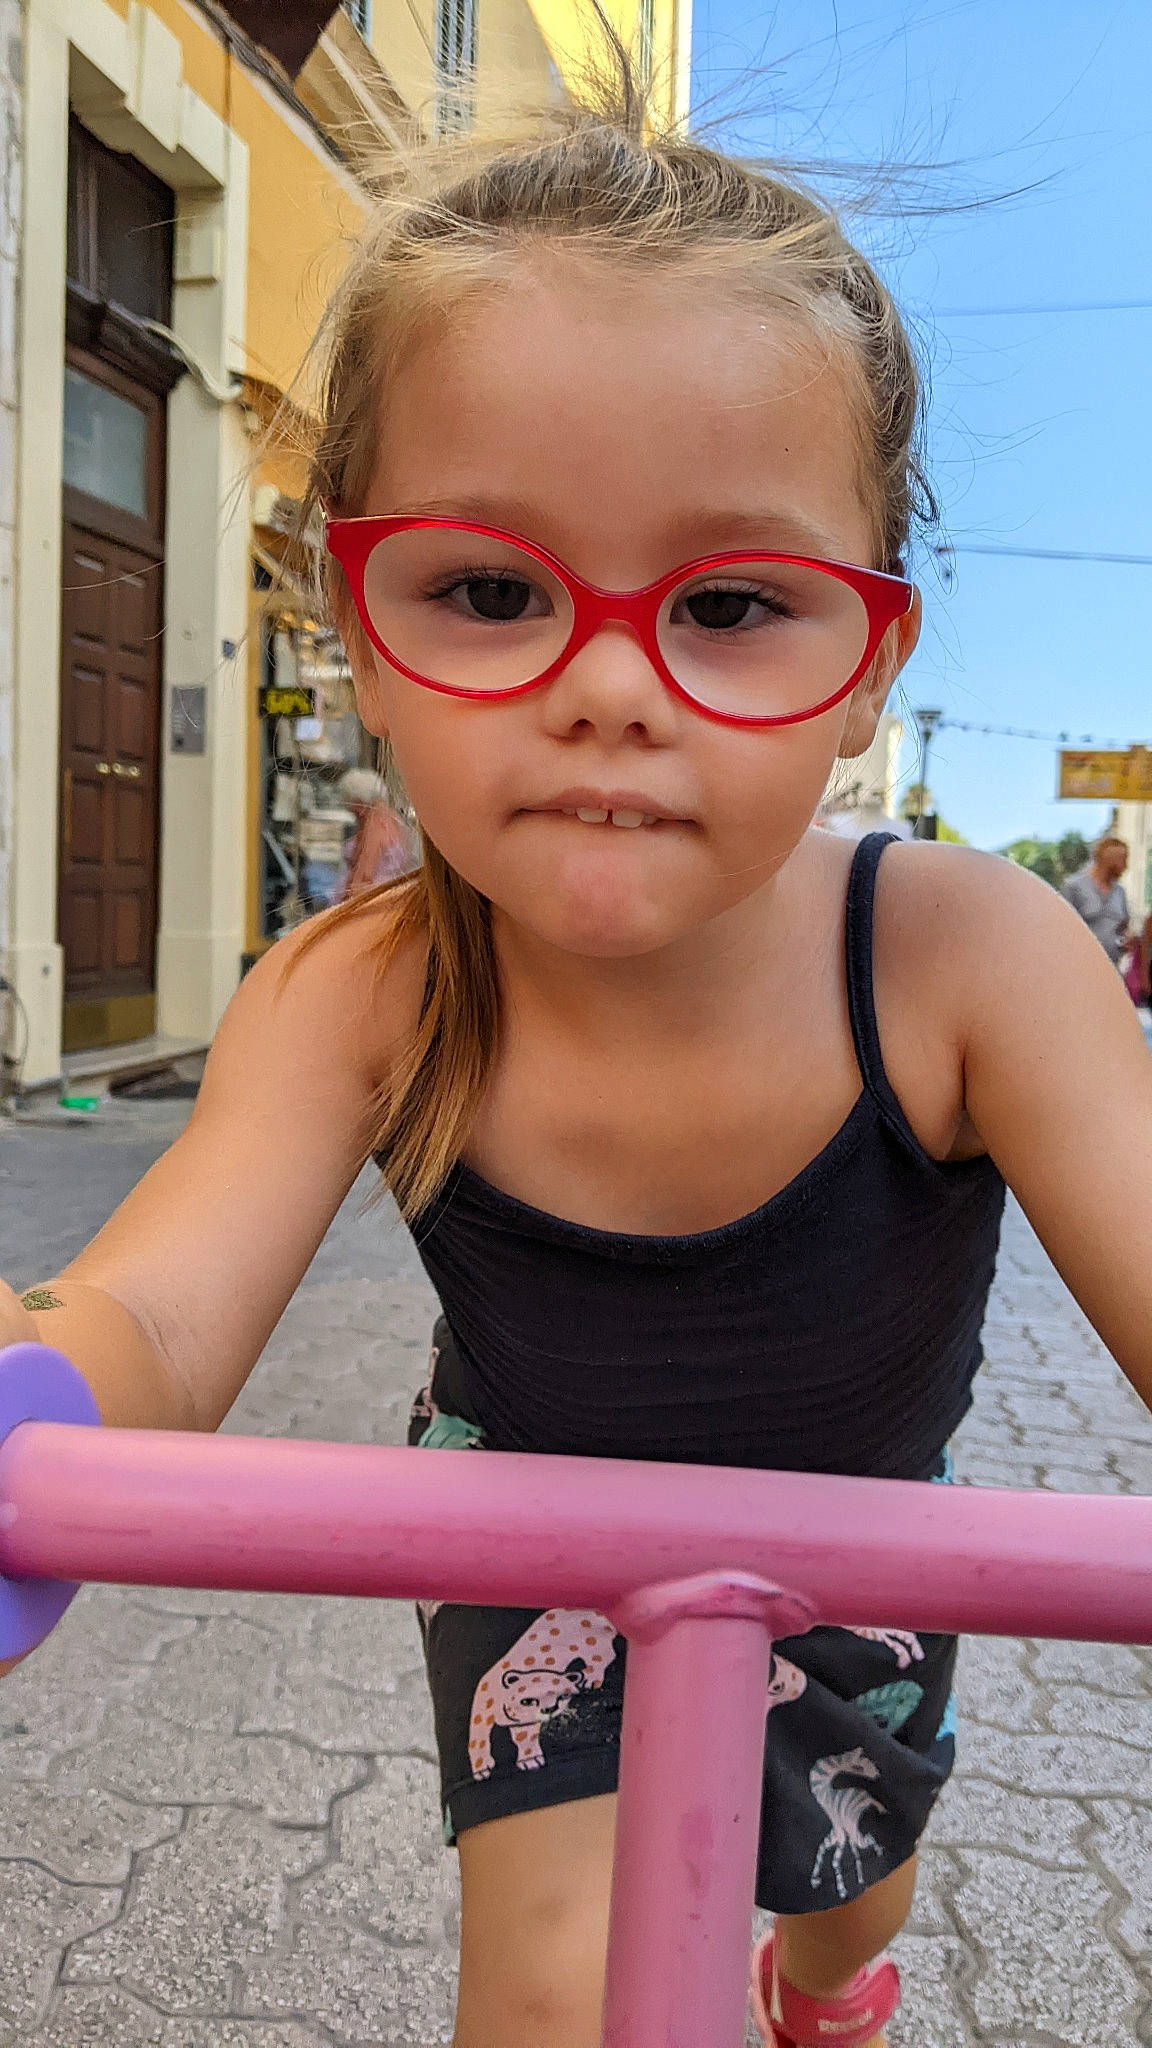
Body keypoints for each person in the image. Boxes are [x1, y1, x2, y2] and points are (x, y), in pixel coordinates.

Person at [3, 62, 1152, 2048]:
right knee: (554, 1987)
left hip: (880, 1536)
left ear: (867, 660)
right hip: (534, 1536)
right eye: (490, 589)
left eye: (726, 603)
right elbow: (156, 1321)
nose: (610, 684)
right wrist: (38, 1385)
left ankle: (841, 1985)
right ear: (356, 621)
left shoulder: (971, 957)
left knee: (842, 1889)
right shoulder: (361, 985)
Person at [332, 766, 418, 901]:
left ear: (357, 801)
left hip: (371, 899)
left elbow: (365, 874)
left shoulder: (375, 824)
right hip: (388, 895)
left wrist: (347, 905)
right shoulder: (393, 819)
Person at [1061, 835, 1130, 966]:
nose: (1126, 865)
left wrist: (1125, 940)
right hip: (1079, 966)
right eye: (1123, 859)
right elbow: (1062, 928)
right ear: (1110, 860)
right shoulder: (1074, 886)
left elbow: (1124, 927)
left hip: (1111, 968)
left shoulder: (1120, 892)